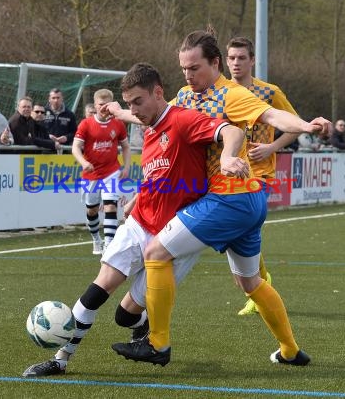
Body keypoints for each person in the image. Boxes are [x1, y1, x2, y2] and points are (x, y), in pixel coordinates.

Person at [111, 28, 329, 367]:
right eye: (183, 68)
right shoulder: (185, 96)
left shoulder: (231, 94)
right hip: (248, 200)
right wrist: (119, 111)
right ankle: (290, 350)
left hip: (229, 198)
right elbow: (155, 116)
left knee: (156, 252)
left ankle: (157, 343)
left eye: (194, 67)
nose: (188, 75)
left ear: (215, 63)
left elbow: (271, 116)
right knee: (249, 281)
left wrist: (305, 126)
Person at [22, 62, 250, 377]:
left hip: (175, 238)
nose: (134, 111)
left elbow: (232, 131)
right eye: (129, 104)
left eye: (138, 102)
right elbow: (158, 174)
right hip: (140, 224)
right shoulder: (150, 126)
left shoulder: (183, 120)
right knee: (97, 290)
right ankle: (60, 359)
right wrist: (137, 199)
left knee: (125, 316)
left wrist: (227, 156)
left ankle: (144, 331)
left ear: (159, 93)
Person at [226, 36, 299, 316]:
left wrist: (271, 146)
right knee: (237, 236)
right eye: (231, 58)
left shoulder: (269, 92)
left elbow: (294, 126)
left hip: (260, 174)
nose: (235, 63)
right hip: (228, 177)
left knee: (246, 229)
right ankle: (259, 284)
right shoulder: (220, 92)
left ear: (252, 60)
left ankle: (258, 288)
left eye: (241, 58)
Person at [72, 89, 131, 254]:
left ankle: (109, 244)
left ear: (112, 104)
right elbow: (75, 147)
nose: (104, 108)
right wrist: (84, 162)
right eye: (100, 104)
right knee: (91, 209)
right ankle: (96, 239)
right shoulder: (86, 124)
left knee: (110, 206)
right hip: (91, 175)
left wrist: (126, 166)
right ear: (95, 104)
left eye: (107, 104)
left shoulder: (118, 124)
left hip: (111, 171)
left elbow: (125, 146)